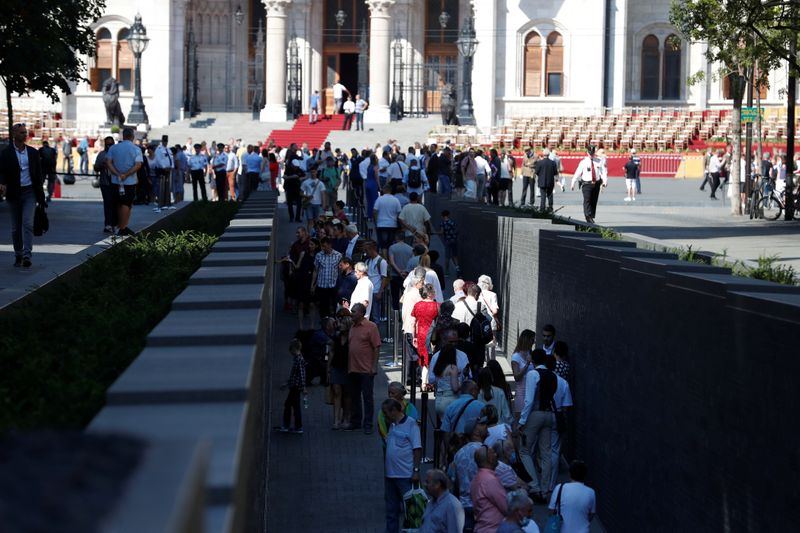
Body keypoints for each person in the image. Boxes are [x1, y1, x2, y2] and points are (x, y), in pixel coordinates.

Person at [0, 123, 47, 267]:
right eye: (21, 132)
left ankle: (27, 255)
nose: (24, 135)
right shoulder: (6, 153)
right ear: (14, 134)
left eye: (25, 132)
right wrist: (2, 183)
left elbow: (38, 174)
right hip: (14, 193)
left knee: (27, 223)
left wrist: (41, 195)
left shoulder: (33, 152)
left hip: (29, 192)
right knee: (15, 227)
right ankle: (18, 254)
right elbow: (1, 171)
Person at [518, 349, 557, 503]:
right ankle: (546, 488)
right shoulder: (553, 375)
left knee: (524, 450)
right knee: (546, 452)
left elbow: (529, 400)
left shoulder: (533, 374)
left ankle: (534, 485)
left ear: (533, 360)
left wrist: (521, 421)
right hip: (550, 414)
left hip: (535, 414)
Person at [382, 397, 422, 533]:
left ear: (394, 411)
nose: (384, 416)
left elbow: (417, 449)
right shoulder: (392, 424)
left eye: (386, 413)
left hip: (406, 476)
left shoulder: (411, 424)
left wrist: (416, 471)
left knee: (410, 512)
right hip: (390, 476)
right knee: (391, 512)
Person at [347, 303, 381, 433]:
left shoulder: (371, 327)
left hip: (366, 370)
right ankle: (356, 421)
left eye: (354, 311)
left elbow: (377, 347)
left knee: (367, 397)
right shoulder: (352, 326)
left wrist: (374, 366)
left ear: (361, 313)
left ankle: (368, 424)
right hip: (353, 368)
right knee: (354, 396)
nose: (352, 313)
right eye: (351, 311)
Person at [451, 414, 489, 530]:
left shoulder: (459, 453)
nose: (486, 426)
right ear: (475, 431)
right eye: (482, 424)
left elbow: (454, 481)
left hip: (464, 506)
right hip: (481, 506)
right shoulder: (485, 451)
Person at [106, 127, 143, 237]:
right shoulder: (136, 149)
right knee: (127, 204)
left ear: (123, 136)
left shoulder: (113, 148)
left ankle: (120, 226)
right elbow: (138, 165)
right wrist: (126, 174)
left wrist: (117, 174)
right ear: (132, 136)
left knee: (118, 203)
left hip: (115, 180)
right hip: (129, 181)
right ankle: (123, 227)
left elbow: (108, 162)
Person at [548, 461, 596, 533]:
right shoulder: (591, 492)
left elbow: (551, 510)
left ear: (569, 474)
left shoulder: (559, 488)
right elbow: (591, 514)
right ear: (585, 475)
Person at [471, 443, 508, 533]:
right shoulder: (490, 480)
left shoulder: (477, 478)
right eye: (493, 453)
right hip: (492, 529)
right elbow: (506, 507)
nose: (496, 455)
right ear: (490, 459)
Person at [410, 284, 440, 387]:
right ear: (431, 294)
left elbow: (413, 323)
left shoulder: (417, 305)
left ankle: (423, 380)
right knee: (431, 357)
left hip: (421, 334)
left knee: (422, 357)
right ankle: (426, 381)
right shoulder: (437, 306)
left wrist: (414, 336)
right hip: (432, 335)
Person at [418, 469, 465, 533]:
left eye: (427, 482)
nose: (424, 484)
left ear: (437, 484)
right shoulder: (431, 502)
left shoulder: (453, 505)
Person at [570, 145, 606, 224]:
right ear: (587, 153)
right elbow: (578, 172)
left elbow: (603, 171)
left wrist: (605, 181)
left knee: (594, 200)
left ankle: (591, 216)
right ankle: (587, 216)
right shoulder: (583, 162)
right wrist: (573, 182)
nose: (591, 155)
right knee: (587, 200)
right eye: (590, 153)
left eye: (592, 153)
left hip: (596, 183)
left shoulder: (599, 161)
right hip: (586, 184)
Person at [330, 309, 353, 429]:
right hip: (336, 367)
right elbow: (332, 352)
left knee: (347, 395)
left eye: (343, 324)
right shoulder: (336, 337)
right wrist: (328, 370)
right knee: (337, 392)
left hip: (348, 368)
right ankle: (336, 420)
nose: (340, 325)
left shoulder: (352, 339)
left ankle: (346, 418)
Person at [378, 382, 419, 447]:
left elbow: (414, 427)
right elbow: (381, 425)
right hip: (389, 444)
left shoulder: (410, 407)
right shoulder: (385, 407)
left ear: (401, 394)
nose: (390, 395)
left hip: (407, 444)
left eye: (393, 393)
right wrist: (387, 439)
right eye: (389, 392)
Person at [279, 338, 307, 434]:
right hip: (295, 386)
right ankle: (297, 426)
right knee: (295, 406)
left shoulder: (299, 360)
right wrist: (287, 384)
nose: (290, 353)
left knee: (289, 405)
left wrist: (303, 387)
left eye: (290, 350)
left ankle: (288, 425)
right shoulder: (298, 359)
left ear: (294, 349)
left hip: (295, 387)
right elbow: (295, 375)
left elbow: (302, 374)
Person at [312, 237, 343, 319]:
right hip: (322, 286)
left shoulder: (338, 255)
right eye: (322, 246)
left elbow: (340, 270)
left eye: (324, 246)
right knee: (323, 308)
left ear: (330, 245)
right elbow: (315, 270)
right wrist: (313, 284)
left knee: (334, 306)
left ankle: (334, 323)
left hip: (333, 286)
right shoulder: (319, 255)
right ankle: (324, 324)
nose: (323, 248)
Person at [93, 135, 117, 233]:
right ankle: (108, 224)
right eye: (107, 144)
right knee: (107, 203)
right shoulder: (102, 154)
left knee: (116, 204)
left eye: (111, 144)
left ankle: (115, 224)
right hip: (105, 183)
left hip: (116, 183)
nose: (109, 146)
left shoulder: (117, 154)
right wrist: (102, 165)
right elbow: (96, 168)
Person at [364, 239, 390, 323]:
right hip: (368, 291)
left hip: (376, 291)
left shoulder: (382, 262)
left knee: (375, 315)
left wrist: (380, 292)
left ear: (372, 249)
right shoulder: (367, 261)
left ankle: (376, 334)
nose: (365, 252)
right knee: (368, 315)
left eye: (367, 250)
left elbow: (384, 278)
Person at [373, 184, 402, 253]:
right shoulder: (396, 200)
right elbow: (399, 213)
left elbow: (375, 211)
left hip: (381, 224)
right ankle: (390, 258)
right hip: (392, 224)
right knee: (390, 243)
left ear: (384, 190)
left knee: (383, 244)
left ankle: (385, 260)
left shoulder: (379, 199)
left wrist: (376, 222)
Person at [153, 135, 174, 211]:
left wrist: (172, 166)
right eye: (164, 141)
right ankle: (160, 203)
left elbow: (171, 158)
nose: (165, 142)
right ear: (162, 141)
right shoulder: (159, 149)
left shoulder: (168, 149)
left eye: (166, 141)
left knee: (168, 187)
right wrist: (164, 167)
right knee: (161, 187)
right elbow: (158, 159)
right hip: (162, 169)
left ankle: (167, 203)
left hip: (168, 170)